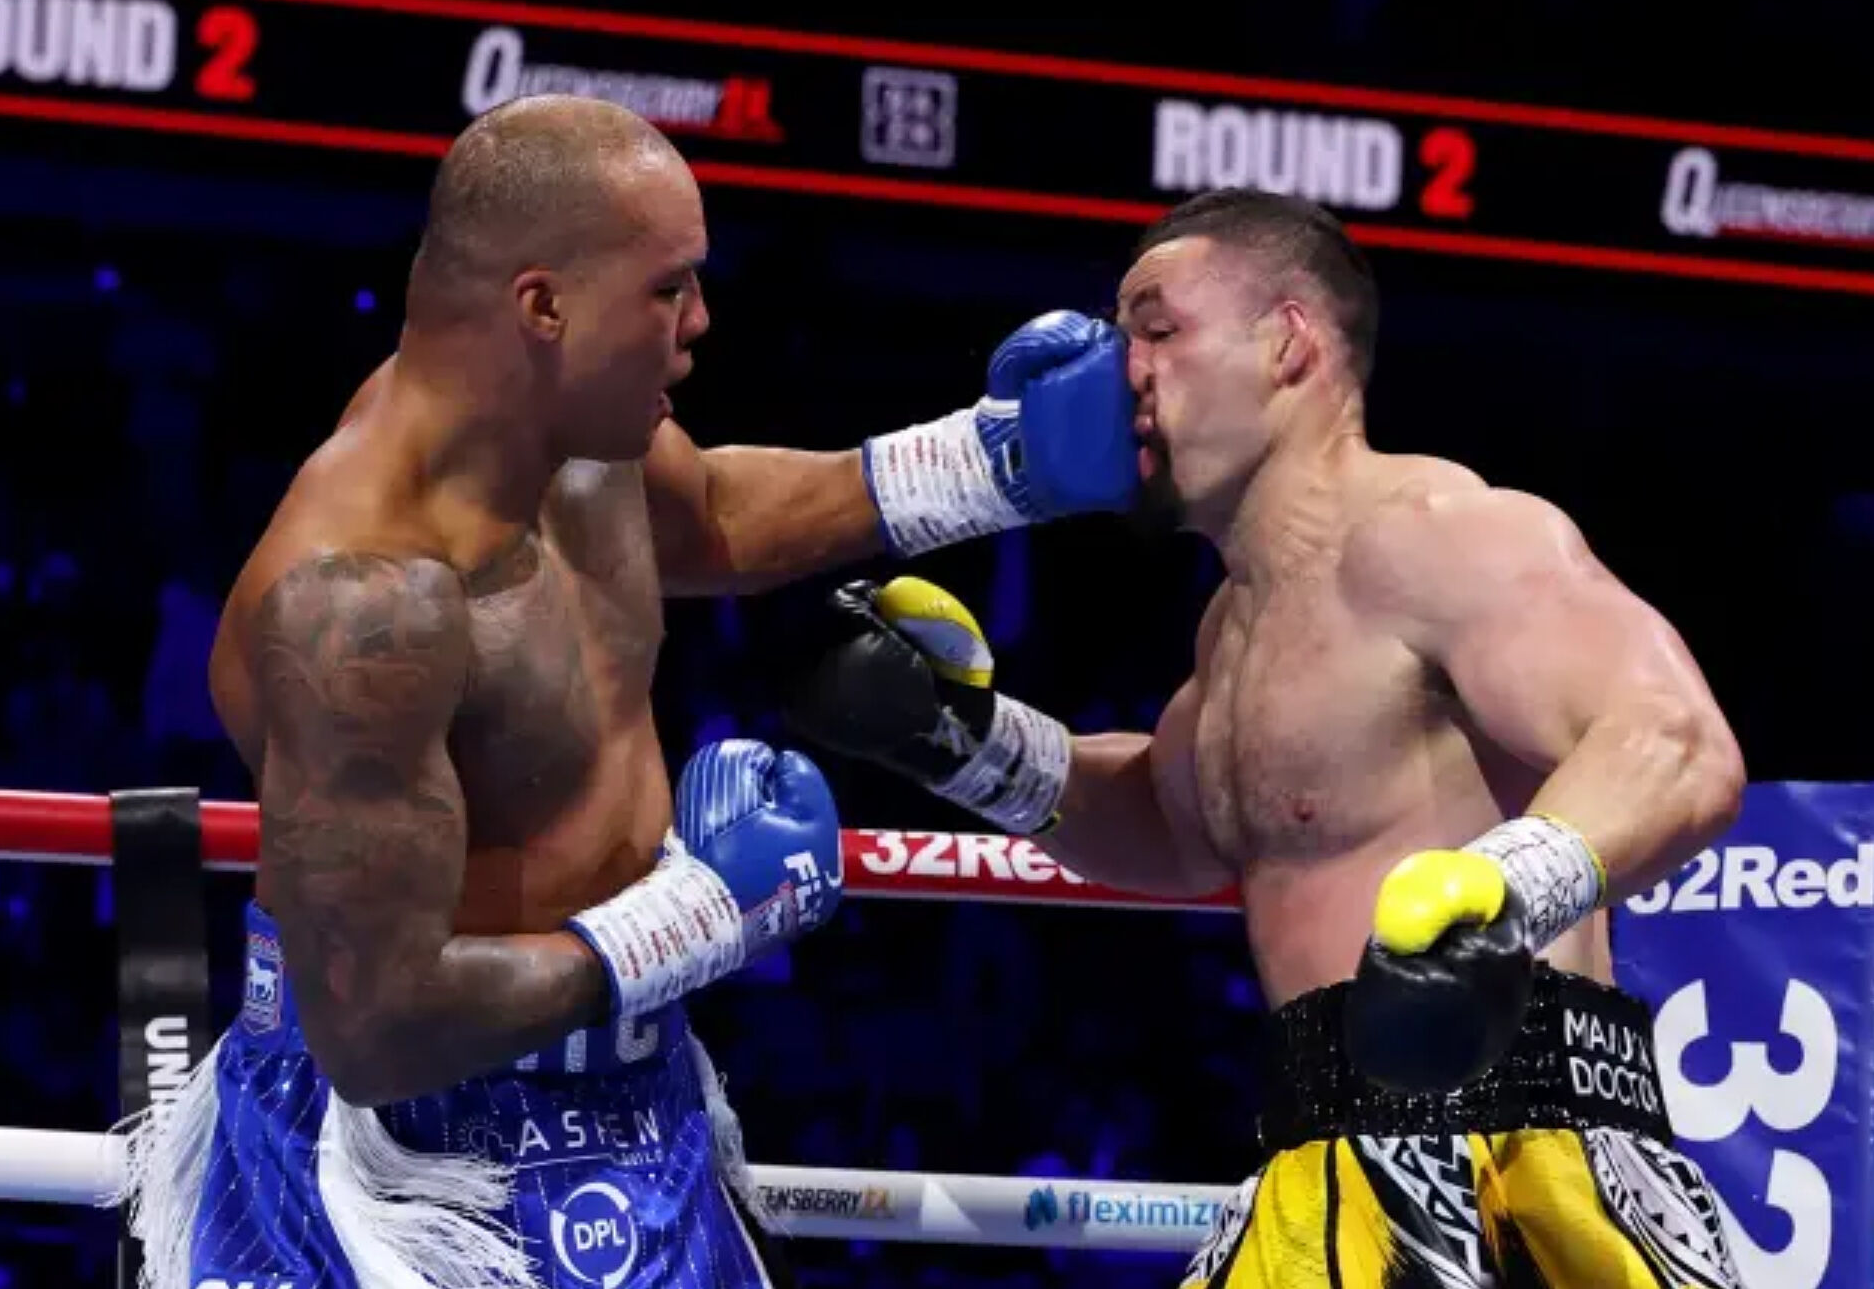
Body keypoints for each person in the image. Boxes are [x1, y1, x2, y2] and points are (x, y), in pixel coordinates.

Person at [111, 94, 1141, 1289]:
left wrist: (993, 464)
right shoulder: (362, 606)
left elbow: (714, 515)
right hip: (398, 1172)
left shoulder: (575, 441)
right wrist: (702, 915)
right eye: (669, 288)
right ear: (542, 304)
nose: (701, 321)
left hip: (638, 1103)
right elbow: (375, 1031)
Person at [788, 188, 1753, 1287]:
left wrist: (1493, 896)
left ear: (1289, 344)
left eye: (1159, 331)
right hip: (1321, 1149)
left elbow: (1675, 740)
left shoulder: (1437, 534)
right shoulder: (1236, 629)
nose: (1124, 374)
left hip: (1518, 1141)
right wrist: (958, 740)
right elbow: (1174, 823)